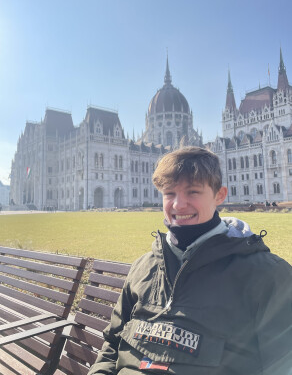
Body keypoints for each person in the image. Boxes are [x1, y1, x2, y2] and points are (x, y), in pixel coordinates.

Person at [89, 147, 292, 375]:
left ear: (220, 195)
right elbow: (111, 345)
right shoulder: (143, 267)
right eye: (169, 193)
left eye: (193, 192)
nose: (178, 205)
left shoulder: (269, 276)